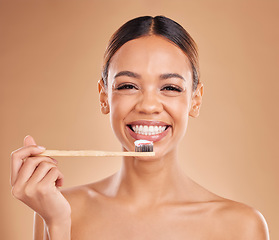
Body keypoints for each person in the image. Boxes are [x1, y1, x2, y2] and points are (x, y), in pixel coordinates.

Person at [10, 16, 269, 240]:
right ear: (104, 96)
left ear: (195, 100)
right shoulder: (59, 209)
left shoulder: (241, 226)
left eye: (170, 88)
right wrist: (58, 223)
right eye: (128, 86)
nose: (148, 106)